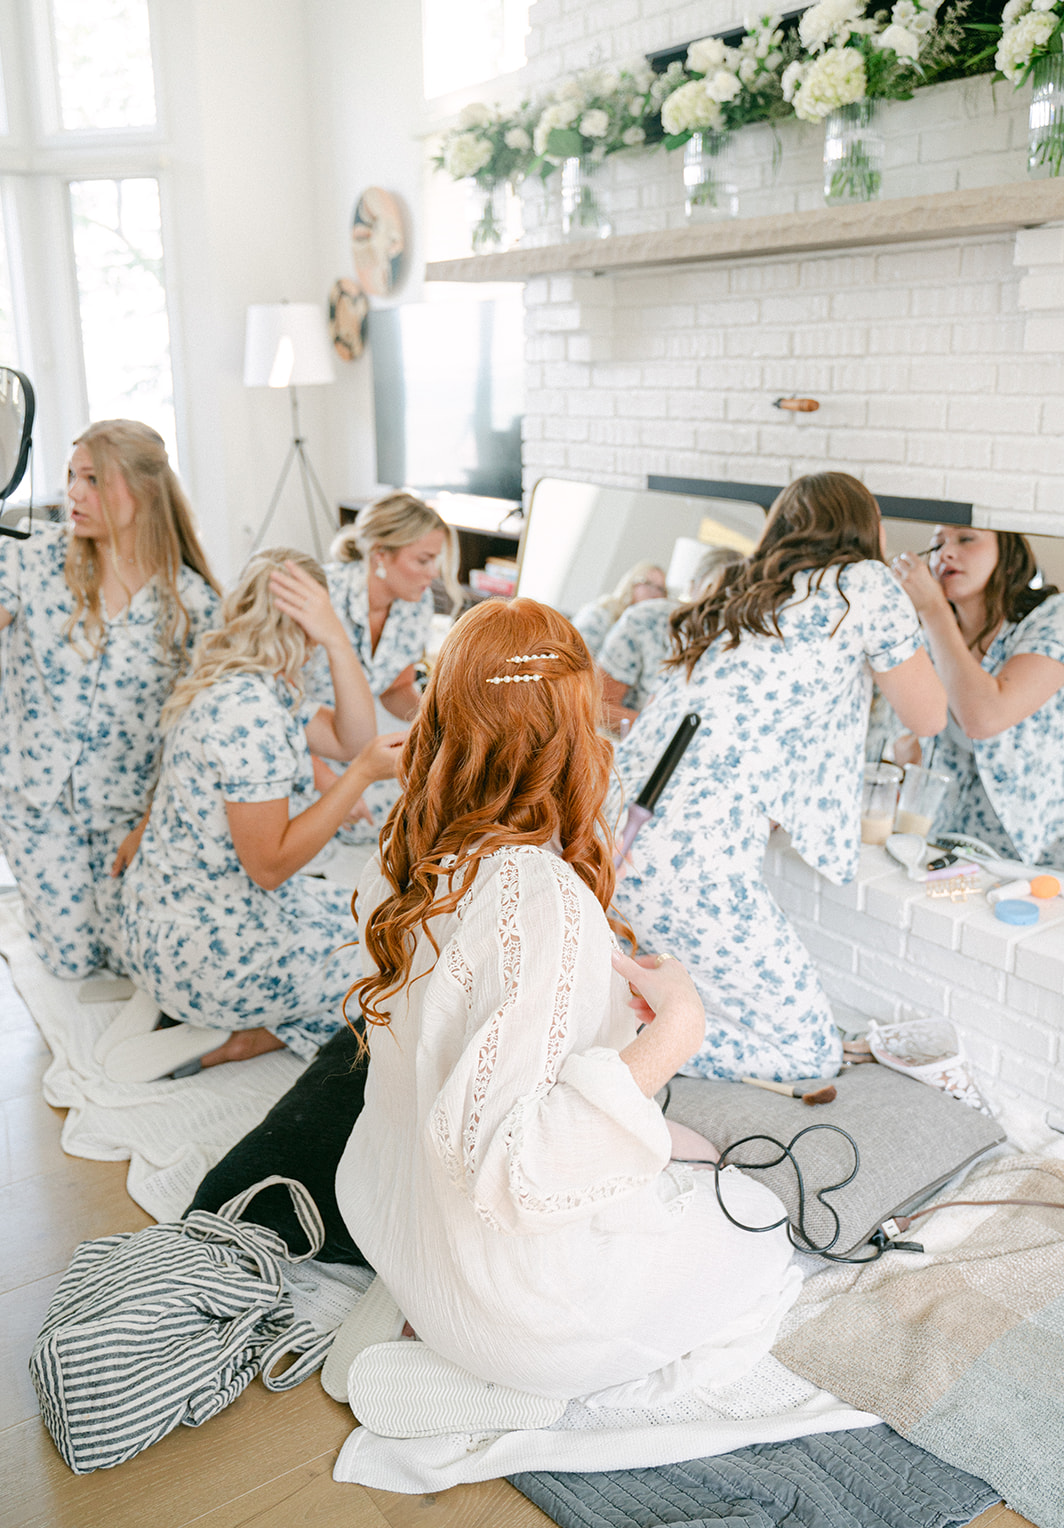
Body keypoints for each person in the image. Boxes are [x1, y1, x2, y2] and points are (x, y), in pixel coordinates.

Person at [335, 597, 800, 1407]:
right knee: (760, 1226)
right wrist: (677, 1031)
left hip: (410, 1248)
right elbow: (518, 1173)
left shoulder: (411, 853)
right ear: (571, 733)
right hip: (519, 1315)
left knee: (678, 1148)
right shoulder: (536, 895)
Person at [611, 473, 947, 1084]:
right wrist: (927, 607)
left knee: (676, 989)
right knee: (808, 1054)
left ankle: (626, 1030)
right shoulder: (864, 585)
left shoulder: (741, 593)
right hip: (691, 858)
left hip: (614, 831)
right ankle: (613, 1046)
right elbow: (929, 716)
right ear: (866, 530)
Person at [118, 548, 401, 1072]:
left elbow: (351, 735)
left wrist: (338, 643)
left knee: (365, 911)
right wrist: (358, 775)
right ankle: (249, 1038)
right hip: (206, 962)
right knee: (401, 953)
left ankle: (248, 1025)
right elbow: (270, 869)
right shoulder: (252, 714)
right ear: (308, 625)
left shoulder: (251, 684)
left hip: (159, 931)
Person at [0, 420, 220, 980]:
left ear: (143, 489)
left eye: (92, 479)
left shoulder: (191, 603)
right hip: (37, 801)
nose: (73, 492)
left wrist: (149, 823)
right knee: (73, 964)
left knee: (136, 962)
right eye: (72, 477)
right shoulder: (29, 563)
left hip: (130, 812)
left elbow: (195, 731)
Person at [891, 527, 1064, 866]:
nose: (946, 553)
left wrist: (933, 610)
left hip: (1035, 854)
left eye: (966, 539)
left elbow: (984, 718)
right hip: (943, 843)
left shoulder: (1051, 619)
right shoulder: (926, 636)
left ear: (1010, 558)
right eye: (937, 544)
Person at [305, 493, 460, 835]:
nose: (433, 573)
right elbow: (278, 709)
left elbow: (397, 688)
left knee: (418, 816)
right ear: (380, 555)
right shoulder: (321, 596)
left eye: (436, 560)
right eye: (424, 560)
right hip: (298, 748)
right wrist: (329, 783)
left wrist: (441, 725)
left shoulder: (414, 606)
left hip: (354, 743)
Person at [597, 547, 743, 730]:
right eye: (714, 593)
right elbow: (599, 709)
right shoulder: (645, 620)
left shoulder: (739, 647)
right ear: (692, 587)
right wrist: (660, 733)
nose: (718, 611)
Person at [571, 559, 667, 659]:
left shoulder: (650, 632)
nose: (655, 592)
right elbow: (576, 655)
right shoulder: (600, 612)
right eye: (647, 583)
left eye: (661, 589)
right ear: (631, 583)